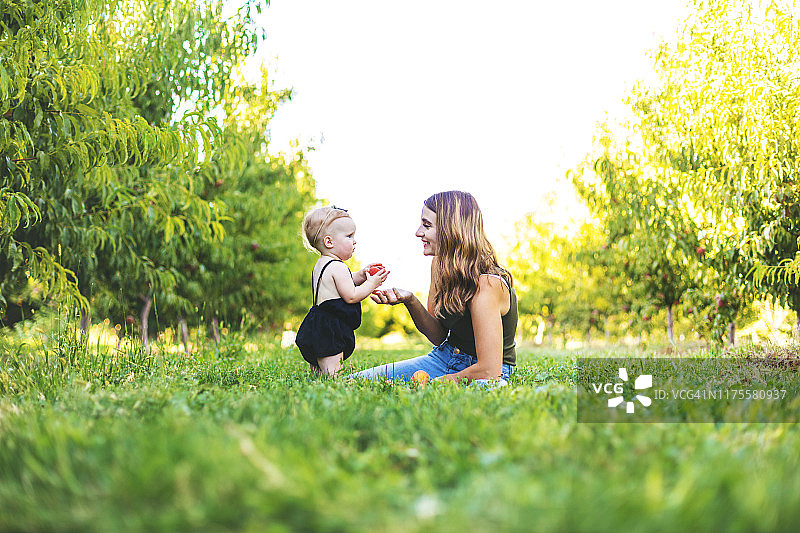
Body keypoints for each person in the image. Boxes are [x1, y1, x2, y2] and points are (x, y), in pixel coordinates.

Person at [349, 191, 517, 386]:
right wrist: (410, 301)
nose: (418, 232)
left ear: (451, 230)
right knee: (354, 382)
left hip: (484, 371)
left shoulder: (488, 284)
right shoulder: (439, 265)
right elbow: (438, 336)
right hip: (444, 358)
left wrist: (435, 383)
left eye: (427, 225)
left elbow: (489, 370)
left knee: (485, 387)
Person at [295, 206, 389, 375]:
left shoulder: (322, 264)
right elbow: (351, 296)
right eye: (349, 236)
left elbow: (343, 282)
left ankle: (318, 384)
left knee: (319, 372)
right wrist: (371, 284)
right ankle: (334, 385)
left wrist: (361, 274)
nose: (355, 241)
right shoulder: (337, 267)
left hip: (315, 324)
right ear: (329, 242)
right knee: (333, 374)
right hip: (329, 329)